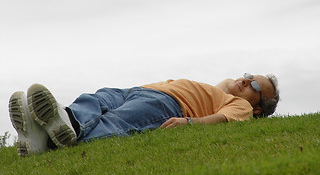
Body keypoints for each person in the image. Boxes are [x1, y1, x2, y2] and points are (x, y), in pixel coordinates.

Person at [8, 73, 279, 156]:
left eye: (254, 85)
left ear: (257, 108)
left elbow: (223, 119)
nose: (245, 81)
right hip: (137, 89)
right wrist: (240, 82)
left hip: (168, 103)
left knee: (117, 121)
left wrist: (190, 122)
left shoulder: (240, 107)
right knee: (96, 98)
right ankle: (57, 126)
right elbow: (226, 82)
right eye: (248, 75)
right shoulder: (222, 91)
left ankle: (50, 138)